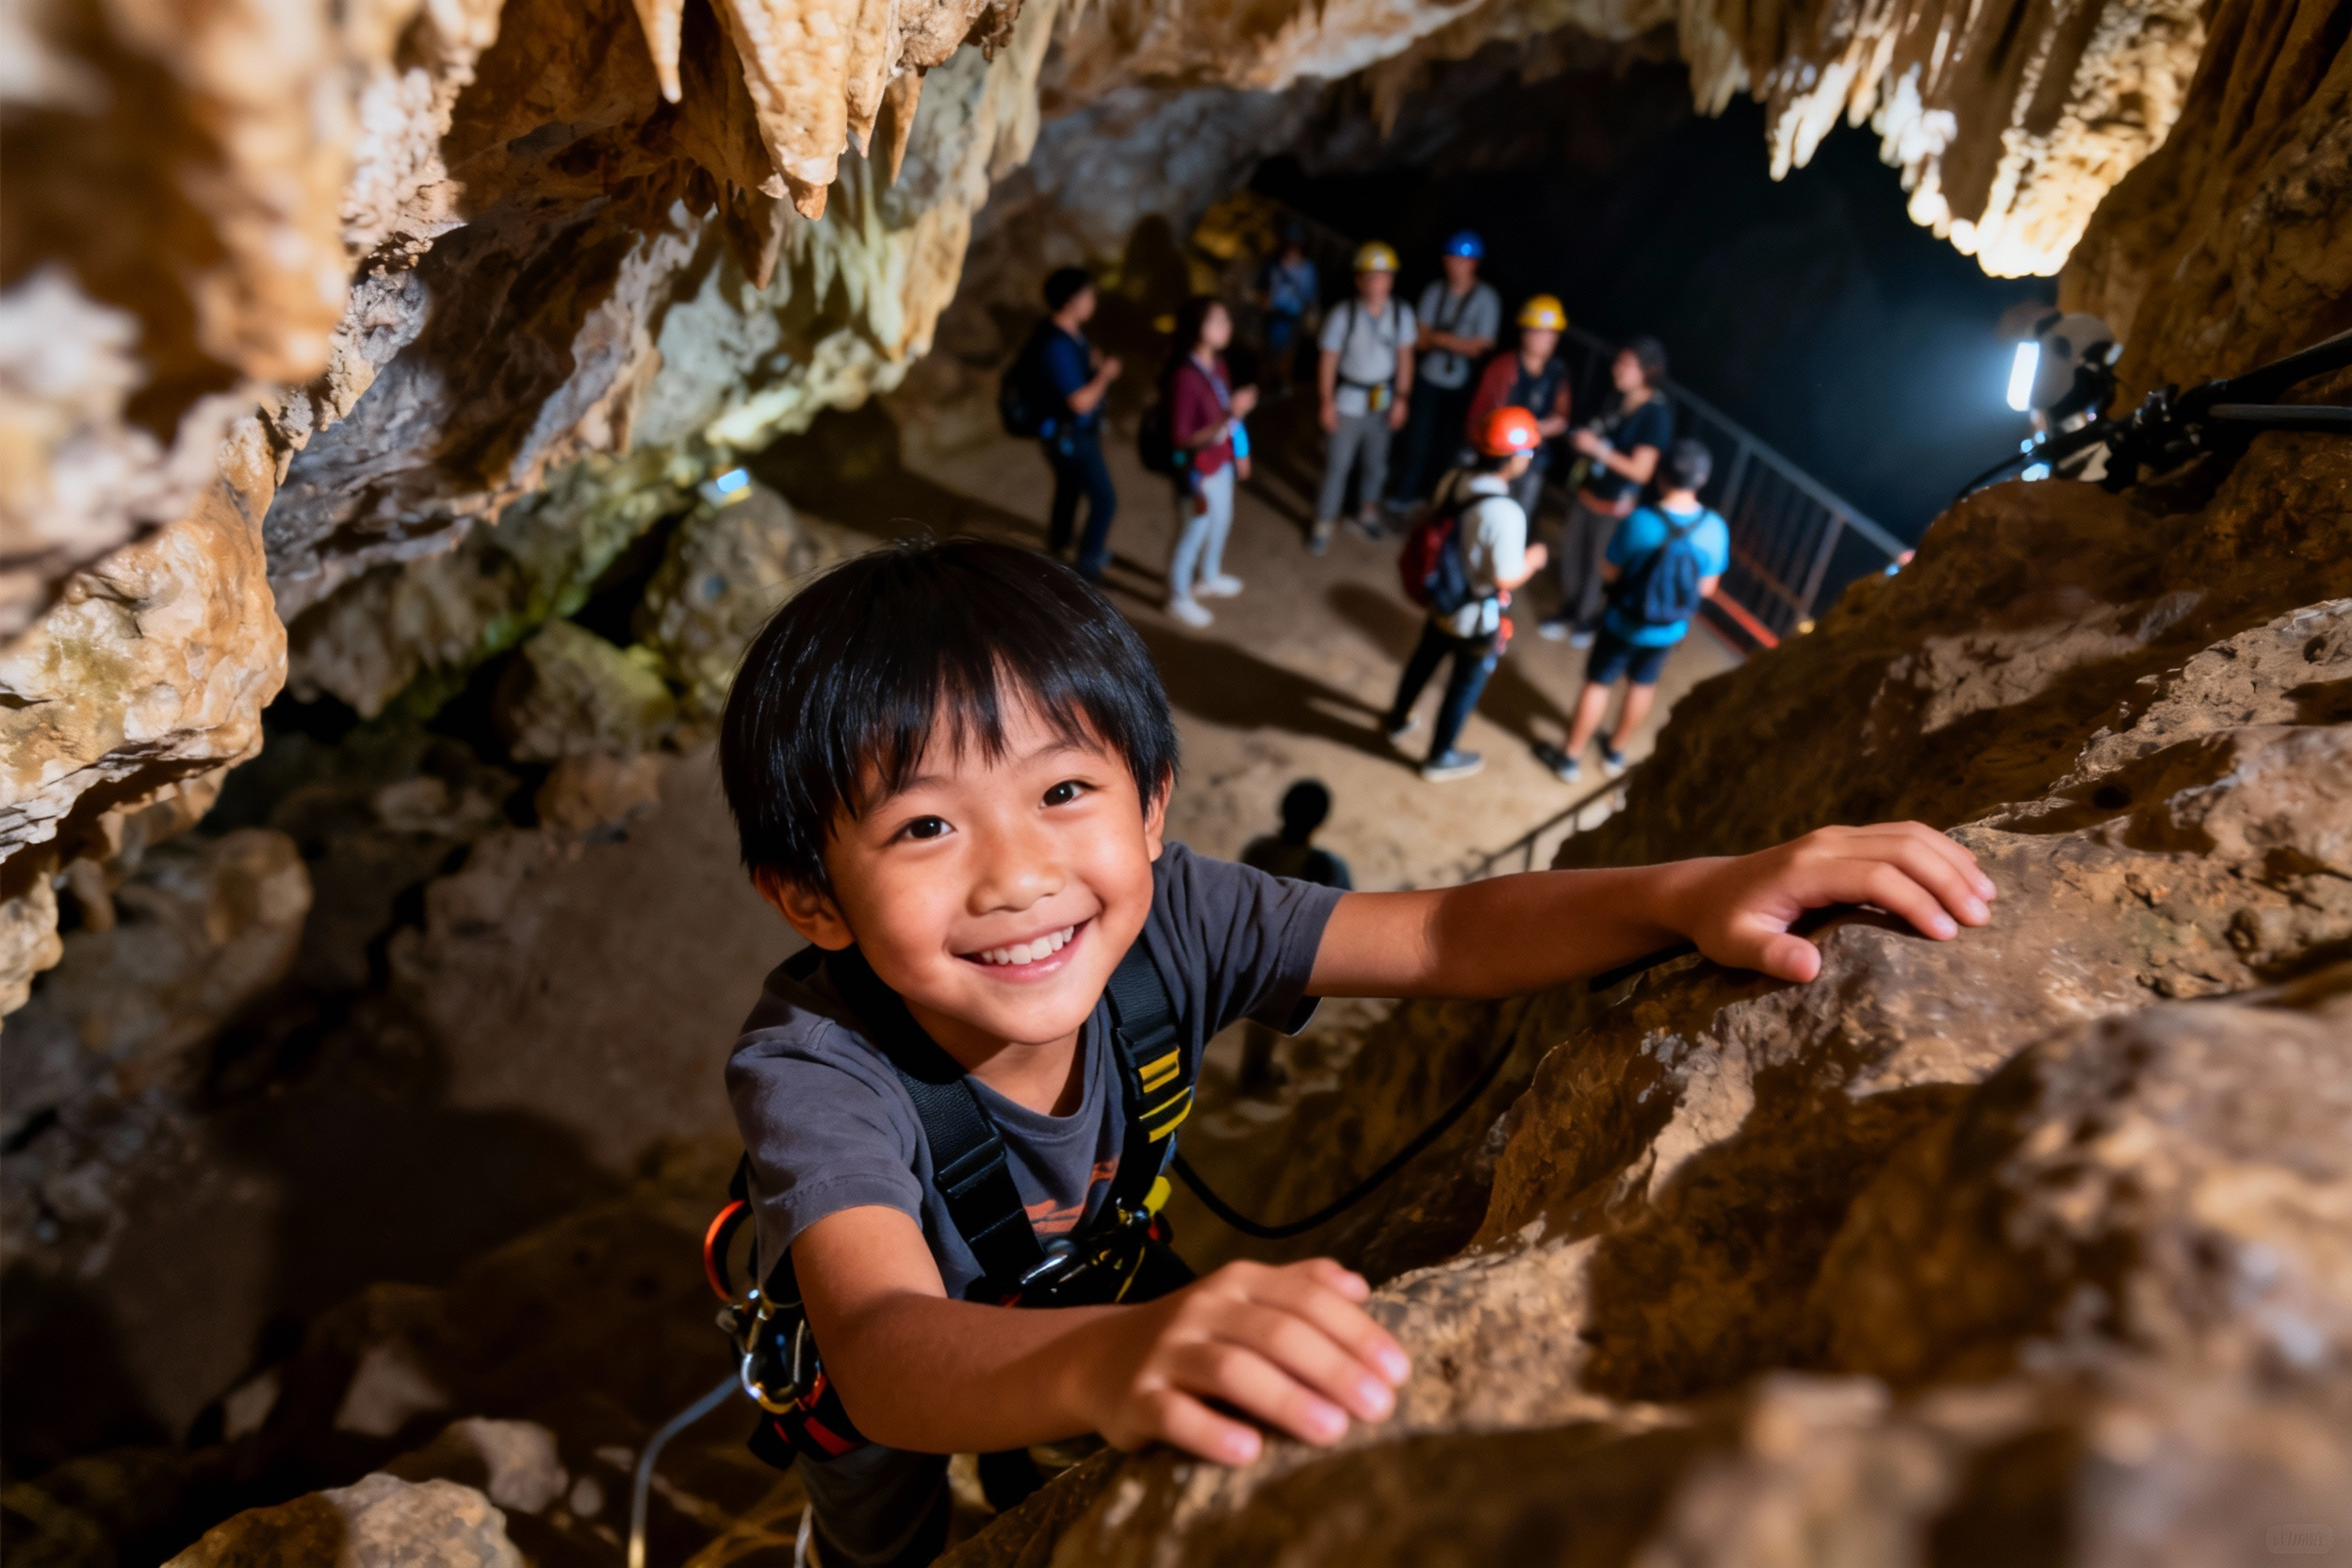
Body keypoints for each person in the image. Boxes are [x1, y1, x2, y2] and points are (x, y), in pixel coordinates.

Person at [717, 537, 1996, 1568]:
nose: (1021, 876)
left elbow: (1440, 934)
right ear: (813, 899)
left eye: (1063, 793)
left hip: (1090, 1283)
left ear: (1153, 806)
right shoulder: (819, 1062)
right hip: (910, 1376)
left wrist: (1689, 893)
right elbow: (885, 1348)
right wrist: (1109, 1357)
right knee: (879, 1528)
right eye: (927, 824)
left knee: (1157, 1405)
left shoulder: (1180, 918)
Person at [1536, 437, 1731, 783]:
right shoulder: (1714, 529)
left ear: (1661, 476)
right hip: (1670, 630)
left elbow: (1609, 570)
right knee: (1643, 684)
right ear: (1702, 479)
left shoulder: (1640, 520)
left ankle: (1570, 758)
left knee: (1599, 683)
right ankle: (1614, 752)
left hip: (1622, 622)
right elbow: (1707, 588)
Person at [1381, 407, 1551, 782]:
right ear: (1514, 458)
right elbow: (1505, 577)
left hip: (1440, 595)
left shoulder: (1455, 479)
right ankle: (1439, 757)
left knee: (1423, 659)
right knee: (1463, 685)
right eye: (1528, 452)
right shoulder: (1505, 512)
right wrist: (1534, 559)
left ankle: (1396, 720)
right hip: (1475, 615)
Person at [1540, 335, 1674, 645]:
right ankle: (1568, 611)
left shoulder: (1656, 415)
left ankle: (1586, 621)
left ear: (1648, 372)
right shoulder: (1618, 398)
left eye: (1626, 365)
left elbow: (1642, 470)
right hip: (1587, 490)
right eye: (1618, 362)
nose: (1617, 369)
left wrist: (1598, 449)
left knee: (1597, 564)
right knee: (1571, 554)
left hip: (1615, 504)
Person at [1236, 779, 1352, 1092]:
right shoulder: (1324, 866)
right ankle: (1255, 1074)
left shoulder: (1257, 849)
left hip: (1248, 945)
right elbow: (1343, 903)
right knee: (1269, 1020)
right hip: (1287, 956)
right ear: (1321, 821)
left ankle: (1254, 1069)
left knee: (1256, 1015)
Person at [1312, 242, 1415, 555]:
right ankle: (1323, 522)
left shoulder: (1400, 313)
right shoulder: (1344, 314)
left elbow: (1405, 358)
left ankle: (1365, 512)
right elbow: (1328, 360)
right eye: (1370, 276)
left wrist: (1402, 397)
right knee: (1337, 464)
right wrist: (1326, 401)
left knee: (1376, 463)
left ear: (1391, 280)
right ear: (1359, 280)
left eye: (1382, 276)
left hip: (1381, 397)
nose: (1376, 283)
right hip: (1348, 398)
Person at [1388, 231, 1500, 512]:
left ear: (1474, 263)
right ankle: (1404, 494)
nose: (1456, 265)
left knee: (1447, 446)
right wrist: (1458, 342)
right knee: (1417, 441)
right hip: (1428, 377)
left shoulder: (1486, 298)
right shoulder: (1434, 291)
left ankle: (1432, 500)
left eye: (1463, 260)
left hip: (1462, 385)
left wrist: (1440, 339)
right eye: (1451, 258)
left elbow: (1482, 346)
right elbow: (1419, 338)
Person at [1163, 296, 1258, 629]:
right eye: (1217, 321)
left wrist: (1241, 451)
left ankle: (1209, 576)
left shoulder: (1219, 366)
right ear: (1195, 329)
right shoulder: (1185, 379)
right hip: (1197, 472)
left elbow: (1232, 419)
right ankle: (1177, 597)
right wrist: (1230, 416)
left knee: (1222, 521)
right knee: (1193, 531)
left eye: (1226, 320)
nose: (1226, 327)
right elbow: (1181, 438)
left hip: (1222, 464)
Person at [1035, 267, 1123, 581]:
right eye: (1088, 294)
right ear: (1071, 301)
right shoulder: (1056, 344)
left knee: (1069, 487)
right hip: (1070, 436)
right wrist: (1105, 375)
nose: (1093, 299)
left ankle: (1057, 545)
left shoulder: (1069, 332)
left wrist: (1091, 364)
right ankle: (1088, 563)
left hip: (1065, 434)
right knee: (1104, 499)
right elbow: (1080, 401)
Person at [1465, 295, 1573, 522]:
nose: (1548, 339)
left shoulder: (1557, 372)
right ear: (1525, 333)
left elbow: (1561, 418)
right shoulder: (1503, 367)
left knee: (1518, 515)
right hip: (1496, 457)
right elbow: (1477, 417)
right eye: (1541, 332)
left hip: (1532, 459)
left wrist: (1536, 430)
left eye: (1552, 333)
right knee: (1483, 511)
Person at [1255, 230, 1319, 397]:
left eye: (1295, 247)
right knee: (1267, 355)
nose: (1291, 251)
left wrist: (1310, 317)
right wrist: (1264, 301)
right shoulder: (1273, 263)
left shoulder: (1307, 269)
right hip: (1273, 316)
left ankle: (1281, 389)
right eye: (1289, 246)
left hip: (1293, 318)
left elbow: (1310, 296)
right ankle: (1264, 388)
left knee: (1287, 356)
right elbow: (1261, 287)